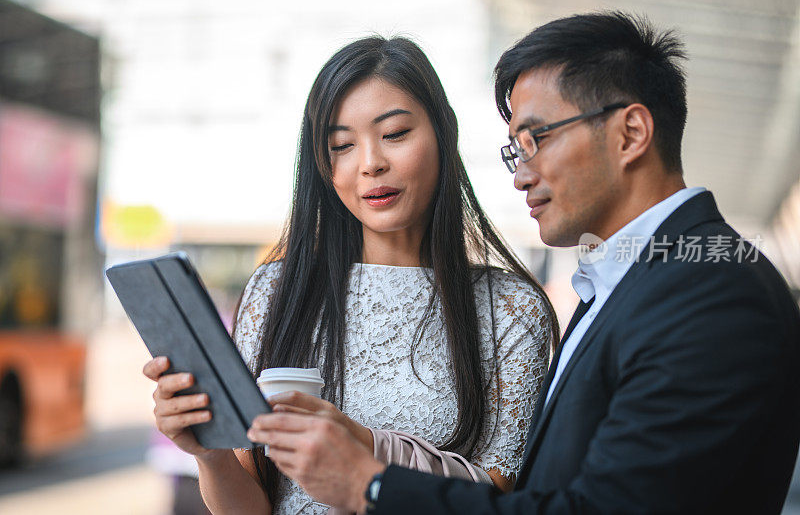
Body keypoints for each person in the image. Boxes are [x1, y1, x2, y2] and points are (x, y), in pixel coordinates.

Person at [248, 12, 800, 514]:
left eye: (537, 139)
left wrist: (371, 482)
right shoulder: (627, 287)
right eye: (515, 147)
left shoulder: (712, 292)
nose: (520, 174)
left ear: (631, 133)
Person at [142, 36, 559, 514]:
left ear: (444, 135)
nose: (370, 163)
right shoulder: (277, 293)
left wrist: (358, 445)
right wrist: (210, 452)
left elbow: (495, 499)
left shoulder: (510, 308)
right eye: (342, 145)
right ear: (324, 165)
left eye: (395, 133)